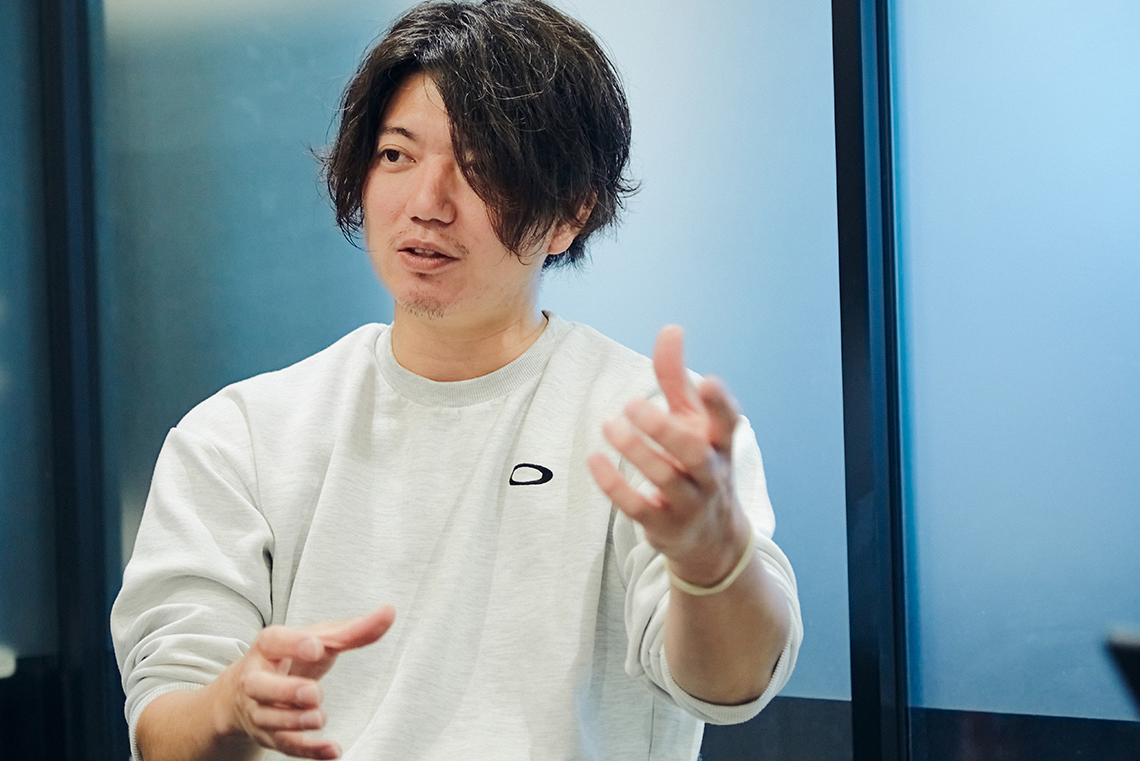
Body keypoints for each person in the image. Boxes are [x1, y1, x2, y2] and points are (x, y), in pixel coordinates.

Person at [110, 1, 802, 759]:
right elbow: (162, 724)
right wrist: (229, 704)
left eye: (481, 167)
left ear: (571, 212)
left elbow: (731, 685)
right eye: (396, 155)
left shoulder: (648, 427)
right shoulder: (240, 436)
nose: (427, 205)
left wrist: (711, 561)